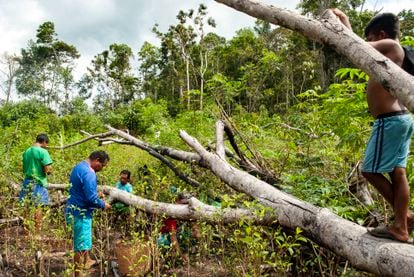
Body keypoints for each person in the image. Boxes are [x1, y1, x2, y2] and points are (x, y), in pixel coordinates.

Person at [332, 9, 414, 242]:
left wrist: (344, 24)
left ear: (381, 34)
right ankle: (402, 223)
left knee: (369, 170)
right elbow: (357, 47)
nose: (368, 43)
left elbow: (353, 46)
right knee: (398, 173)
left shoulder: (391, 46)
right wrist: (346, 22)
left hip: (389, 121)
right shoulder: (392, 53)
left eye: (370, 39)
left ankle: (403, 218)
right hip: (401, 119)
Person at [65, 150, 112, 277]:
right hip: (81, 214)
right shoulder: (90, 173)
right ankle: (78, 274)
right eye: (102, 166)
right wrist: (104, 205)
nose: (102, 169)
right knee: (80, 246)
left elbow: (81, 189)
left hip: (72, 209)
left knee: (83, 242)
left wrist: (96, 195)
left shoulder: (79, 166)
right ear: (97, 160)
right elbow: (91, 199)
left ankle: (87, 262)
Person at [18, 133, 53, 233]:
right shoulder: (43, 152)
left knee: (26, 206)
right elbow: (48, 169)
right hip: (38, 182)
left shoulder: (26, 152)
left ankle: (26, 231)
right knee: (39, 206)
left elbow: (24, 168)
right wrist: (49, 171)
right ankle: (37, 233)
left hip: (27, 181)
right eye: (47, 144)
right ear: (44, 142)